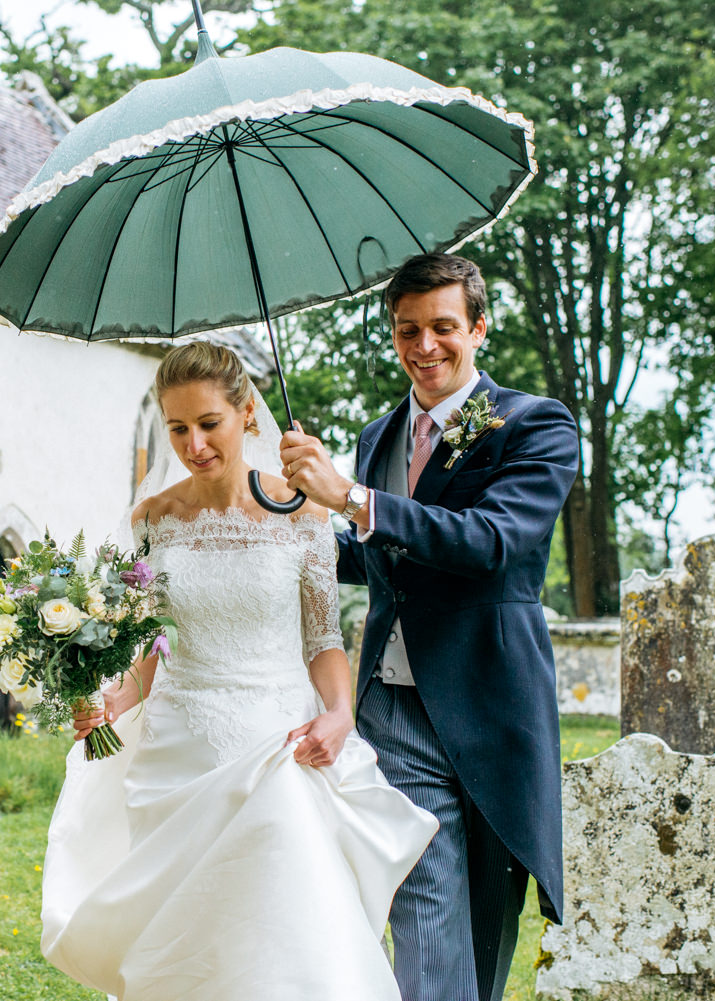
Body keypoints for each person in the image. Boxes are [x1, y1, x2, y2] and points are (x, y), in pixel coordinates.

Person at [42, 342, 438, 1001]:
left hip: (277, 743)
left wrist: (338, 713)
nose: (193, 443)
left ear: (246, 413)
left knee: (285, 930)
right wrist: (112, 701)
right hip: (178, 752)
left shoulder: (302, 512)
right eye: (177, 428)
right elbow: (151, 645)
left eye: (208, 423)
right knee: (186, 941)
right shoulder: (153, 519)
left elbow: (322, 637)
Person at [279, 253, 580, 1001]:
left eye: (444, 327)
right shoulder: (378, 435)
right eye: (407, 330)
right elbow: (380, 561)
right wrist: (288, 527)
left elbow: (492, 543)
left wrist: (349, 497)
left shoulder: (536, 425)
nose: (425, 346)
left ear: (478, 327)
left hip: (491, 705)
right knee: (425, 904)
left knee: (486, 928)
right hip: (395, 705)